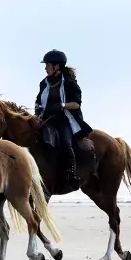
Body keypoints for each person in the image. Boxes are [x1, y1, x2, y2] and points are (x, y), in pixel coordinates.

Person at [35, 50, 93, 189]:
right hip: (46, 120)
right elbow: (38, 101)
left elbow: (76, 104)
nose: (45, 68)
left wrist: (62, 105)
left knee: (66, 144)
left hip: (64, 121)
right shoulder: (44, 83)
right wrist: (38, 110)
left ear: (57, 66)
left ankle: (72, 174)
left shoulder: (68, 82)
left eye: (48, 65)